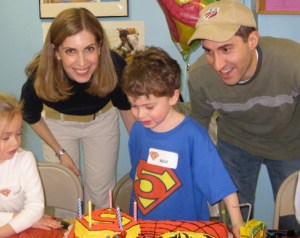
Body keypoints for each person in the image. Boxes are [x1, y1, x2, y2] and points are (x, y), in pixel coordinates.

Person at [187, 0, 300, 228]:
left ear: (252, 41)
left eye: (226, 49)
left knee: (293, 220)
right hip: (236, 145)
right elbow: (196, 131)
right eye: (208, 51)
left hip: (289, 143)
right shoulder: (200, 77)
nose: (217, 65)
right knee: (232, 221)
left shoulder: (292, 62)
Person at [121, 47, 244, 237]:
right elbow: (138, 174)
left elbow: (222, 185)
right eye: (133, 106)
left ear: (173, 96)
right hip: (143, 229)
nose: (140, 114)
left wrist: (237, 223)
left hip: (185, 230)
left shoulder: (193, 136)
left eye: (149, 106)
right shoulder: (138, 130)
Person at [21, 8, 135, 210]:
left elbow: (126, 107)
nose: (82, 62)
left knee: (101, 195)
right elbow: (30, 115)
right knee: (68, 193)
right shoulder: (41, 74)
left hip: (101, 122)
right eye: (70, 51)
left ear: (100, 47)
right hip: (57, 125)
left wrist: (140, 148)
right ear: (56, 52)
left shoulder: (114, 65)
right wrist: (61, 153)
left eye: (89, 49)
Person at [0, 93, 61, 237]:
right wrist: (20, 218)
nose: (15, 142)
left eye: (19, 134)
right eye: (6, 137)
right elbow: (30, 216)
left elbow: (35, 208)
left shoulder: (25, 160)